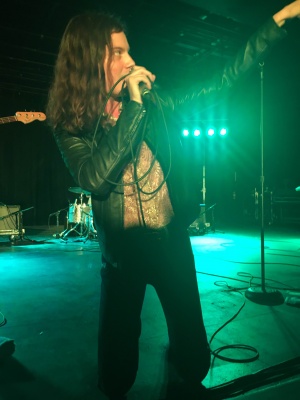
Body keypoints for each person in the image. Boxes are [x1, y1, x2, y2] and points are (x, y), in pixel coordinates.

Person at [46, 2, 300, 399]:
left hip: (170, 241)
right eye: (118, 52)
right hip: (123, 254)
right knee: (116, 364)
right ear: (90, 59)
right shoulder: (72, 124)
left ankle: (182, 374)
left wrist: (276, 23)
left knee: (195, 355)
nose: (131, 60)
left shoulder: (154, 103)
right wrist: (131, 106)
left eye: (129, 50)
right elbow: (95, 178)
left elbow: (221, 81)